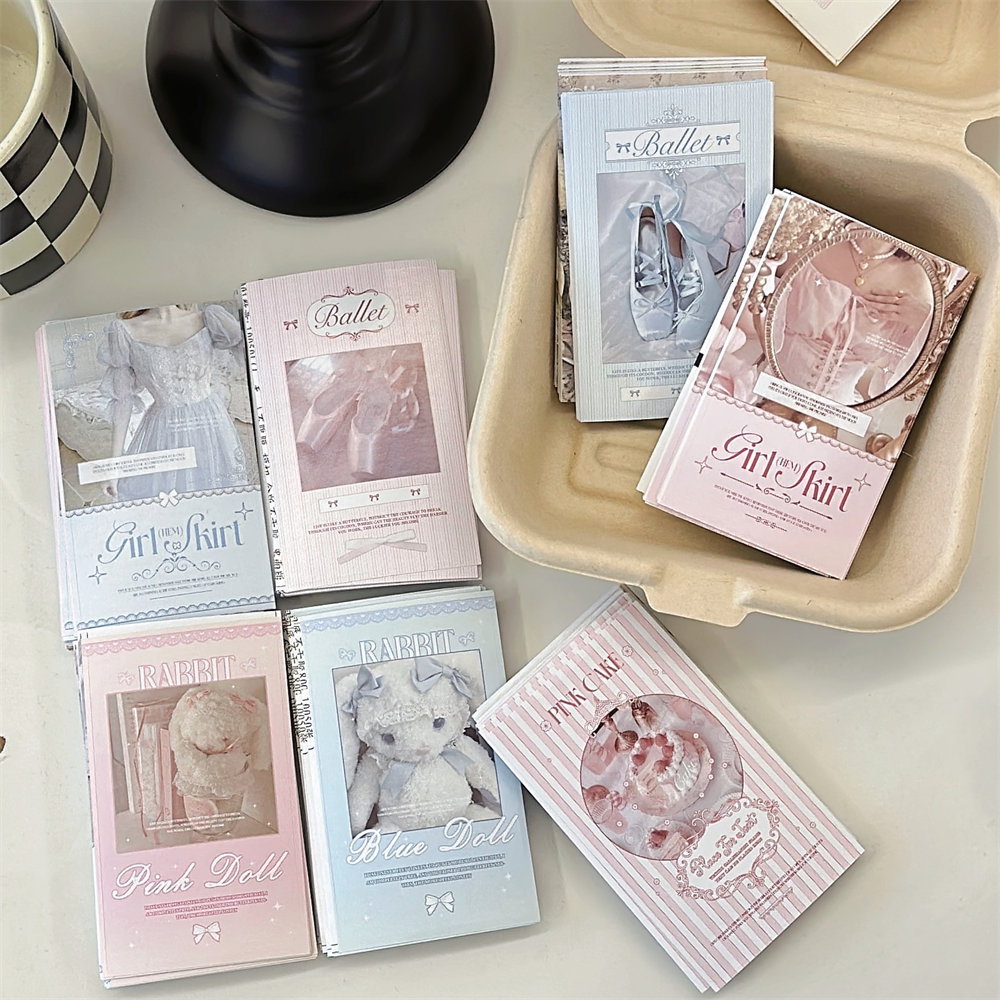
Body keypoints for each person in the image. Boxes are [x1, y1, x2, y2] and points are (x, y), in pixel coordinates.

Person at [99, 303, 248, 501]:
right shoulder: (123, 331)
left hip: (211, 423)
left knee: (220, 495)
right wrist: (114, 467)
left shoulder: (209, 319)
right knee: (168, 499)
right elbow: (122, 401)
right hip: (164, 430)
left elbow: (252, 355)